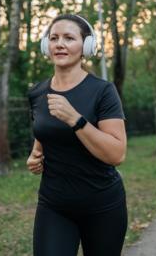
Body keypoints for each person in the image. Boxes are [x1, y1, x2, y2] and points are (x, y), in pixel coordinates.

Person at [26, 14, 128, 256]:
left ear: (87, 46)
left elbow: (117, 154)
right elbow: (43, 131)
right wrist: (34, 154)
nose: (60, 44)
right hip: (54, 205)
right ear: (46, 46)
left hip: (103, 205)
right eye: (54, 38)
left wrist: (76, 120)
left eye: (69, 38)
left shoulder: (103, 91)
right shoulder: (37, 93)